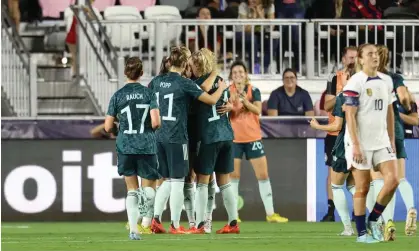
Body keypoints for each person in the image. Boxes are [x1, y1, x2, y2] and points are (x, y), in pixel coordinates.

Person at [150, 46, 227, 234]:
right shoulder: (184, 83)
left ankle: (156, 219)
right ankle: (175, 225)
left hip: (158, 136)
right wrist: (222, 89)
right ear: (184, 63)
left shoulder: (156, 81)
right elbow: (209, 99)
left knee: (166, 180)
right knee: (177, 181)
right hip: (177, 137)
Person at [343, 43, 399, 243]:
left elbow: (390, 111)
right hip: (361, 143)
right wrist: (356, 144)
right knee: (362, 187)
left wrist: (391, 138)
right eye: (369, 54)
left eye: (376, 53)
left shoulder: (387, 80)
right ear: (360, 59)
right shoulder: (355, 82)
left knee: (393, 180)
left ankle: (373, 219)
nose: (374, 57)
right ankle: (361, 234)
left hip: (381, 140)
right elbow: (349, 115)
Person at [104, 56, 161, 240]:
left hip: (126, 145)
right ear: (142, 73)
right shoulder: (148, 94)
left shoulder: (118, 95)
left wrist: (117, 129)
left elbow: (107, 126)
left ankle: (133, 230)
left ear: (125, 73)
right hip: (146, 144)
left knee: (131, 190)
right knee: (150, 187)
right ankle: (146, 216)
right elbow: (156, 122)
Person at [228, 61, 288, 224]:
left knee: (262, 175)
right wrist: (230, 107)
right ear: (231, 76)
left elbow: (258, 110)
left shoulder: (253, 90)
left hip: (253, 137)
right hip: (234, 139)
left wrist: (244, 102)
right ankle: (234, 215)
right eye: (235, 72)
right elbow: (226, 112)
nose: (238, 75)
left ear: (246, 74)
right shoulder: (227, 92)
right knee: (234, 176)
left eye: (241, 71)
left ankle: (270, 214)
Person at [189, 48, 240, 234]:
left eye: (193, 64)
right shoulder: (220, 81)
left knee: (202, 180)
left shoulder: (198, 83)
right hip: (227, 135)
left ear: (199, 64)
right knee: (224, 181)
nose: (191, 68)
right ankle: (233, 223)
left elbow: (202, 90)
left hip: (210, 136)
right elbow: (228, 98)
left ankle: (201, 224)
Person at [372, 45, 416, 238]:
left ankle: (385, 221)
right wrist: (405, 105)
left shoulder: (367, 79)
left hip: (375, 131)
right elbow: (405, 97)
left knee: (379, 180)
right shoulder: (394, 78)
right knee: (399, 178)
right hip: (396, 129)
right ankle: (411, 208)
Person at [310, 66, 356, 236]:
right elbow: (327, 105)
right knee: (357, 184)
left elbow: (337, 124)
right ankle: (378, 220)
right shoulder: (364, 91)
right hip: (362, 141)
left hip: (346, 140)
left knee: (336, 184)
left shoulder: (346, 94)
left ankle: (349, 228)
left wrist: (317, 126)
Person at [322, 46, 357, 222]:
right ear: (343, 59)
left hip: (354, 134)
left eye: (355, 58)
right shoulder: (334, 78)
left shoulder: (361, 79)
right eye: (350, 58)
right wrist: (342, 94)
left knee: (355, 175)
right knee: (332, 173)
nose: (352, 61)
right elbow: (327, 106)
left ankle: (356, 213)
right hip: (334, 132)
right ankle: (330, 211)